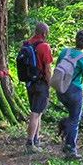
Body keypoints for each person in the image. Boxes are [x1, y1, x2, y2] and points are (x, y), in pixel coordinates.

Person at [56, 29, 83, 158]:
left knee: (72, 115)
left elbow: (57, 67)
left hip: (61, 89)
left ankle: (67, 139)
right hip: (74, 91)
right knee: (75, 119)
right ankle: (70, 149)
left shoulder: (65, 52)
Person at [24, 22, 54, 153]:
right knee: (35, 113)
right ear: (44, 33)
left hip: (30, 83)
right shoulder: (44, 47)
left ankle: (36, 138)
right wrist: (49, 85)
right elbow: (48, 69)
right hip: (41, 83)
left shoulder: (25, 45)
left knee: (38, 111)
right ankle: (30, 143)